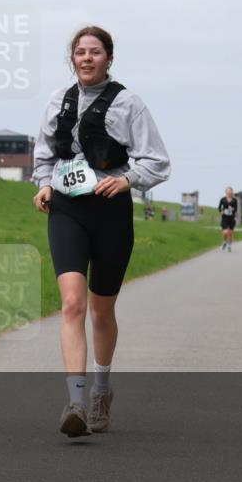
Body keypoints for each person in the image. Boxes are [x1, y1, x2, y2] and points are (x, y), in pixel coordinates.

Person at [33, 25, 170, 437]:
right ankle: (75, 401)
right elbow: (43, 154)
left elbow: (157, 161)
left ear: (109, 58)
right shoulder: (59, 101)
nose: (87, 58)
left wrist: (126, 180)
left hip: (110, 209)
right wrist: (42, 184)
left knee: (101, 309)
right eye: (80, 52)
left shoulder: (129, 104)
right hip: (67, 208)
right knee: (72, 303)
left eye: (95, 52)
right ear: (72, 59)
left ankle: (101, 390)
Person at [218, 187, 238, 252]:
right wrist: (221, 211)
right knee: (225, 232)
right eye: (228, 192)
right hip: (224, 218)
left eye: (230, 192)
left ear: (232, 192)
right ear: (226, 192)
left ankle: (229, 245)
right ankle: (224, 241)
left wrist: (232, 209)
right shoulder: (223, 199)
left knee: (230, 233)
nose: (229, 193)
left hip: (231, 218)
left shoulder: (234, 200)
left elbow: (236, 209)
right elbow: (219, 207)